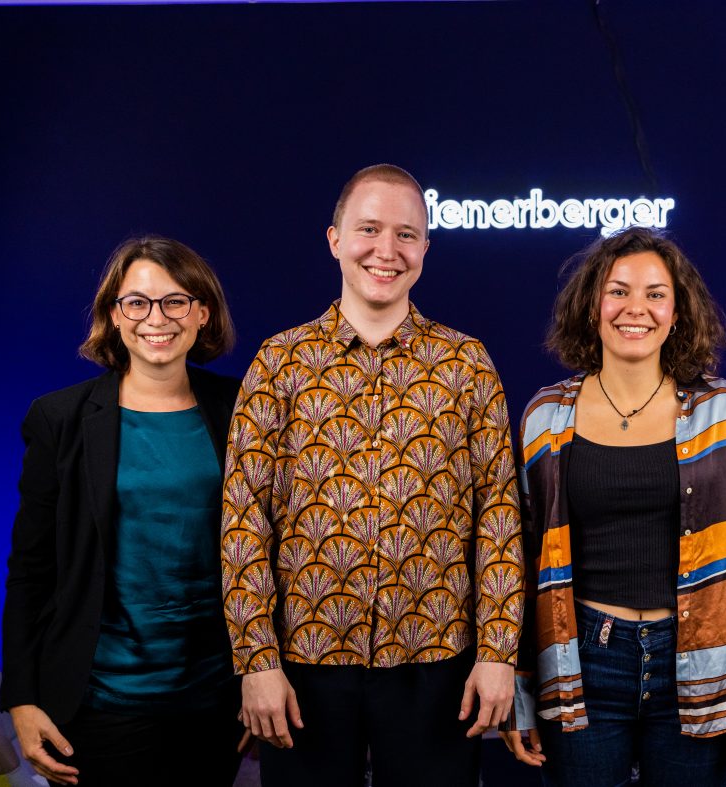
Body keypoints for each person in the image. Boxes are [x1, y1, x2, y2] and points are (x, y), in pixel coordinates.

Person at [220, 164, 523, 787]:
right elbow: (243, 519)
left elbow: (499, 516)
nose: (387, 251)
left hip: (437, 662)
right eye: (368, 229)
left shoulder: (467, 364)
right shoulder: (281, 363)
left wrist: (498, 655)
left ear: (426, 250)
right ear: (334, 240)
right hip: (302, 664)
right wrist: (256, 662)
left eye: (406, 234)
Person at [501, 227, 726, 786]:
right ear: (592, 305)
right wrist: (521, 692)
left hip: (698, 665)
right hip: (582, 663)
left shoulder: (720, 411)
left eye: (655, 293)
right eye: (618, 290)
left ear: (677, 312)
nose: (636, 308)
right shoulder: (545, 417)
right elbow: (520, 564)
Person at [1, 236, 244, 786]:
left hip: (216, 695)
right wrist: (21, 699)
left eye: (175, 301)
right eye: (136, 302)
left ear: (202, 313)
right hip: (102, 701)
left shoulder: (244, 407)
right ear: (114, 315)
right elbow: (30, 570)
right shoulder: (59, 418)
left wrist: (266, 677)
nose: (155, 318)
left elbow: (273, 552)